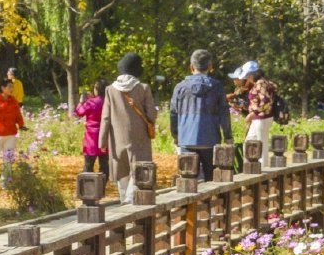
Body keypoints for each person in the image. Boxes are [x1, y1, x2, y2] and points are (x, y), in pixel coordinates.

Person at [98, 53, 158, 203]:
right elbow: (151, 115)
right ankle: (131, 200)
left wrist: (102, 141)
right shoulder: (143, 88)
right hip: (139, 137)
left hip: (117, 139)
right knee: (139, 169)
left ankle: (124, 199)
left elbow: (105, 117)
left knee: (122, 171)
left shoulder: (110, 90)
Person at [170, 50, 233, 181]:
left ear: (191, 67)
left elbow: (174, 113)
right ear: (210, 67)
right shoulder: (216, 87)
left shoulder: (180, 87)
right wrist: (228, 137)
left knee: (188, 178)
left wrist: (176, 136)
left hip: (186, 139)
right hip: (210, 139)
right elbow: (224, 113)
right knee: (211, 178)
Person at [238, 61, 279, 149]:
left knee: (261, 146)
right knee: (250, 144)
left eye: (248, 75)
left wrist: (253, 113)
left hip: (262, 118)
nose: (247, 78)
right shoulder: (260, 83)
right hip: (258, 118)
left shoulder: (261, 83)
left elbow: (266, 101)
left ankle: (262, 159)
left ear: (253, 74)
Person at [75, 79, 108, 175]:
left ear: (96, 89)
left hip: (91, 137)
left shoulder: (91, 102)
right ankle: (103, 182)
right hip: (105, 136)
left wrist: (81, 102)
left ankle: (88, 183)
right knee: (104, 165)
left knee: (88, 165)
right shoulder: (109, 102)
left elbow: (79, 113)